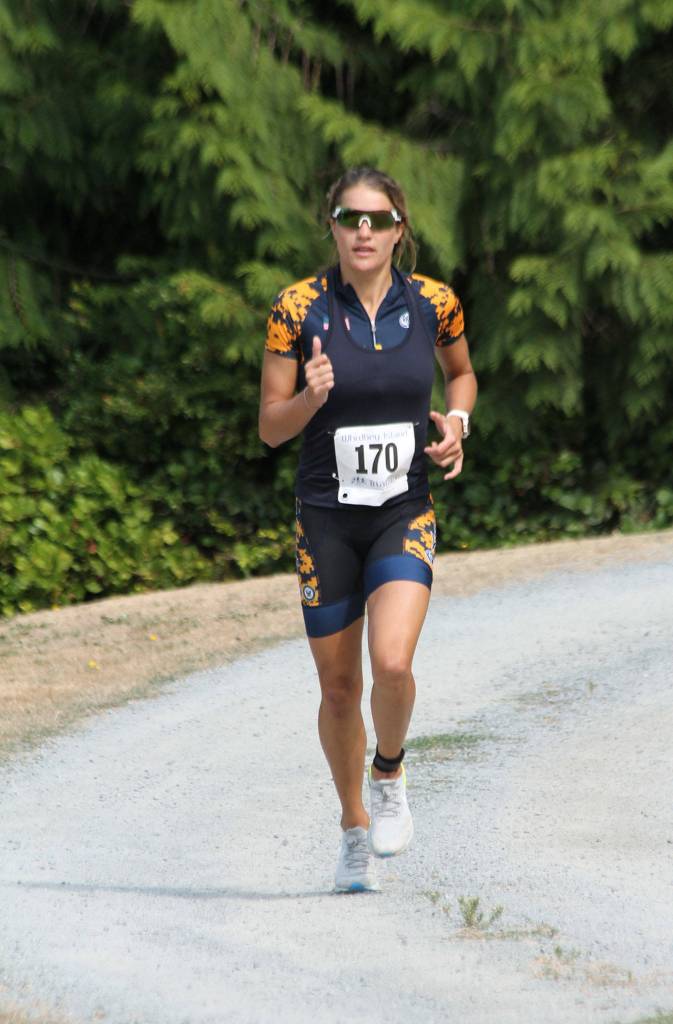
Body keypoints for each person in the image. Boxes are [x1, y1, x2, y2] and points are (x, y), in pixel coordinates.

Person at [258, 167, 477, 893]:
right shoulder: (297, 309)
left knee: (391, 664)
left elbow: (461, 376)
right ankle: (353, 826)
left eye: (377, 220)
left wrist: (458, 426)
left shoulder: (434, 303)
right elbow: (268, 427)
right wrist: (310, 400)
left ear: (398, 231)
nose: (362, 231)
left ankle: (387, 770)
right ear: (331, 226)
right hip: (325, 520)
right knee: (338, 687)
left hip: (401, 511)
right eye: (349, 218)